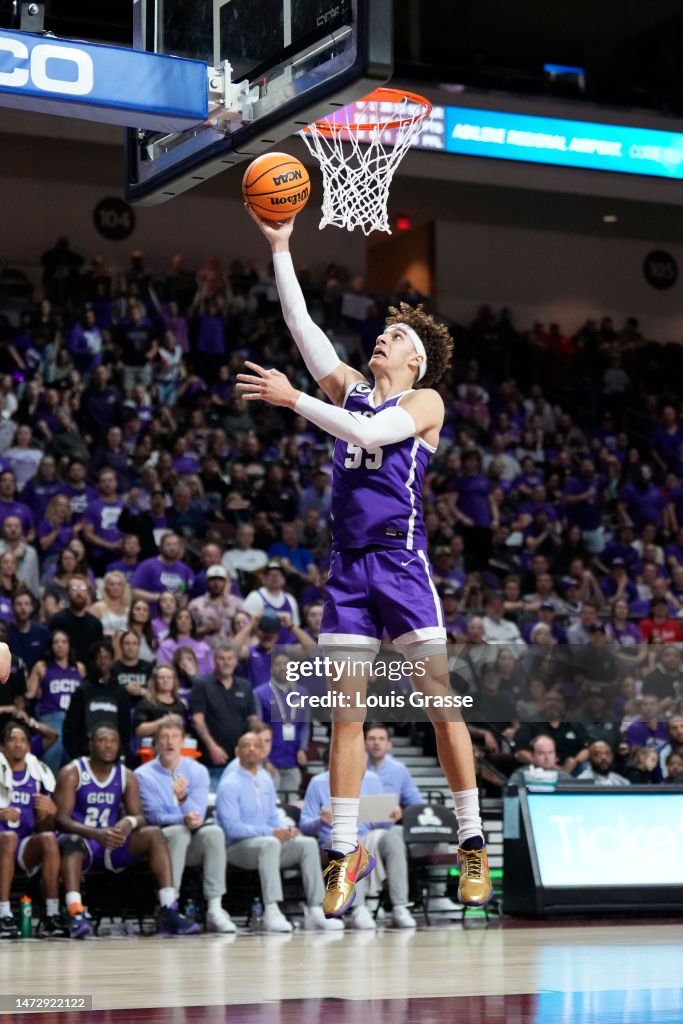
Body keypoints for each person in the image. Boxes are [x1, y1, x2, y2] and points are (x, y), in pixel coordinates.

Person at [238, 211, 491, 917]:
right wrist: (281, 247)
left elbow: (367, 430)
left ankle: (471, 839)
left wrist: (294, 399)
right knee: (344, 716)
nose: (385, 335)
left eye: (399, 336)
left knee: (440, 704)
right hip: (347, 569)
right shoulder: (350, 387)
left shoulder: (425, 401)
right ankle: (343, 849)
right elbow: (301, 327)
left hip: (401, 566)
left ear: (417, 360)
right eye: (385, 330)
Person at [54, 724, 199, 938]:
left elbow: (140, 816)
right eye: (103, 740)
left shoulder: (126, 775)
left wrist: (128, 822)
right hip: (83, 842)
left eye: (113, 741)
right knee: (71, 842)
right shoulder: (72, 772)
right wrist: (96, 834)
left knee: (153, 833)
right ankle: (75, 912)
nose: (108, 745)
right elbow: (61, 820)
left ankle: (168, 909)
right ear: (91, 744)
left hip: (111, 842)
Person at [215, 731, 341, 933]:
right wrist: (271, 832)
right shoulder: (228, 784)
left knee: (307, 844)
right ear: (237, 751)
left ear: (263, 751)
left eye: (256, 745)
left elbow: (273, 815)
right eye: (246, 745)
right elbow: (231, 828)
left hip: (268, 845)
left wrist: (286, 829)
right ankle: (272, 910)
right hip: (237, 848)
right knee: (271, 843)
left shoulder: (265, 779)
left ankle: (316, 909)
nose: (251, 749)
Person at [135, 717, 236, 933]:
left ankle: (215, 909)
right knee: (179, 832)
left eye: (175, 737)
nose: (169, 742)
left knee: (214, 833)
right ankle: (169, 906)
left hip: (191, 841)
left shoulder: (198, 771)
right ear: (155, 744)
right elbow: (153, 816)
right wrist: (182, 818)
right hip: (160, 844)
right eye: (164, 737)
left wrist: (183, 799)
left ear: (183, 743)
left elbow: (197, 813)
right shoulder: (142, 775)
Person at [0, 720, 68, 937]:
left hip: (21, 845)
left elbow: (44, 826)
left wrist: (50, 813)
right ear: (2, 747)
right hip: (3, 840)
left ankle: (51, 915)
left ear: (29, 747)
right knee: (8, 837)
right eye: (12, 740)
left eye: (23, 740)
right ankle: (3, 914)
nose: (18, 744)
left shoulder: (38, 775)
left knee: (48, 838)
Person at [190, 644, 259, 791]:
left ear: (236, 661)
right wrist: (212, 746)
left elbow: (252, 719)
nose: (226, 662)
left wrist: (252, 746)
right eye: (221, 658)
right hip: (211, 762)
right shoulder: (201, 685)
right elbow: (197, 720)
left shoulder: (245, 686)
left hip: (241, 762)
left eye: (230, 658)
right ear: (214, 660)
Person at [26, 630, 85, 773]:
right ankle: (49, 781)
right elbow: (29, 694)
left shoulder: (79, 667)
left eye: (64, 642)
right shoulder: (42, 666)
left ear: (69, 646)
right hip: (51, 716)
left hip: (74, 718)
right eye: (56, 642)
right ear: (51, 646)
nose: (60, 645)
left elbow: (85, 693)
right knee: (56, 747)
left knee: (74, 753)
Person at [62, 640, 131, 760]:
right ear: (92, 661)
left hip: (115, 755)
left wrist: (121, 751)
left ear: (112, 661)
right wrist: (76, 754)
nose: (103, 661)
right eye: (99, 657)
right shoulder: (82, 691)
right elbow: (71, 727)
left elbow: (126, 727)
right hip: (85, 755)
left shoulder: (120, 692)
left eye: (106, 657)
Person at [253, 651, 310, 794]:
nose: (283, 667)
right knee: (270, 800)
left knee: (291, 802)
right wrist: (264, 759)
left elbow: (305, 725)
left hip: (293, 760)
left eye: (286, 664)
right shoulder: (260, 693)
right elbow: (257, 730)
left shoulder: (303, 693)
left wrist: (303, 748)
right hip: (269, 761)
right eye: (278, 664)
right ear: (271, 668)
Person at [47, 574, 104, 664]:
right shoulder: (56, 621)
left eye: (83, 589)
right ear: (67, 593)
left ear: (87, 593)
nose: (79, 593)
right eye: (74, 589)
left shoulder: (96, 624)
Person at [132, 664, 187, 741]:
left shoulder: (180, 705)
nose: (166, 680)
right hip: (152, 745)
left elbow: (185, 730)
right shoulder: (146, 704)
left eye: (169, 677)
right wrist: (164, 721)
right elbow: (139, 731)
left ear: (174, 681)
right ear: (155, 681)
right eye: (161, 678)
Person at [507, 734, 575, 789]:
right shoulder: (521, 775)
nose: (547, 758)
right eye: (541, 753)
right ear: (532, 755)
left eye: (550, 753)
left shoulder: (564, 776)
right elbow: (510, 797)